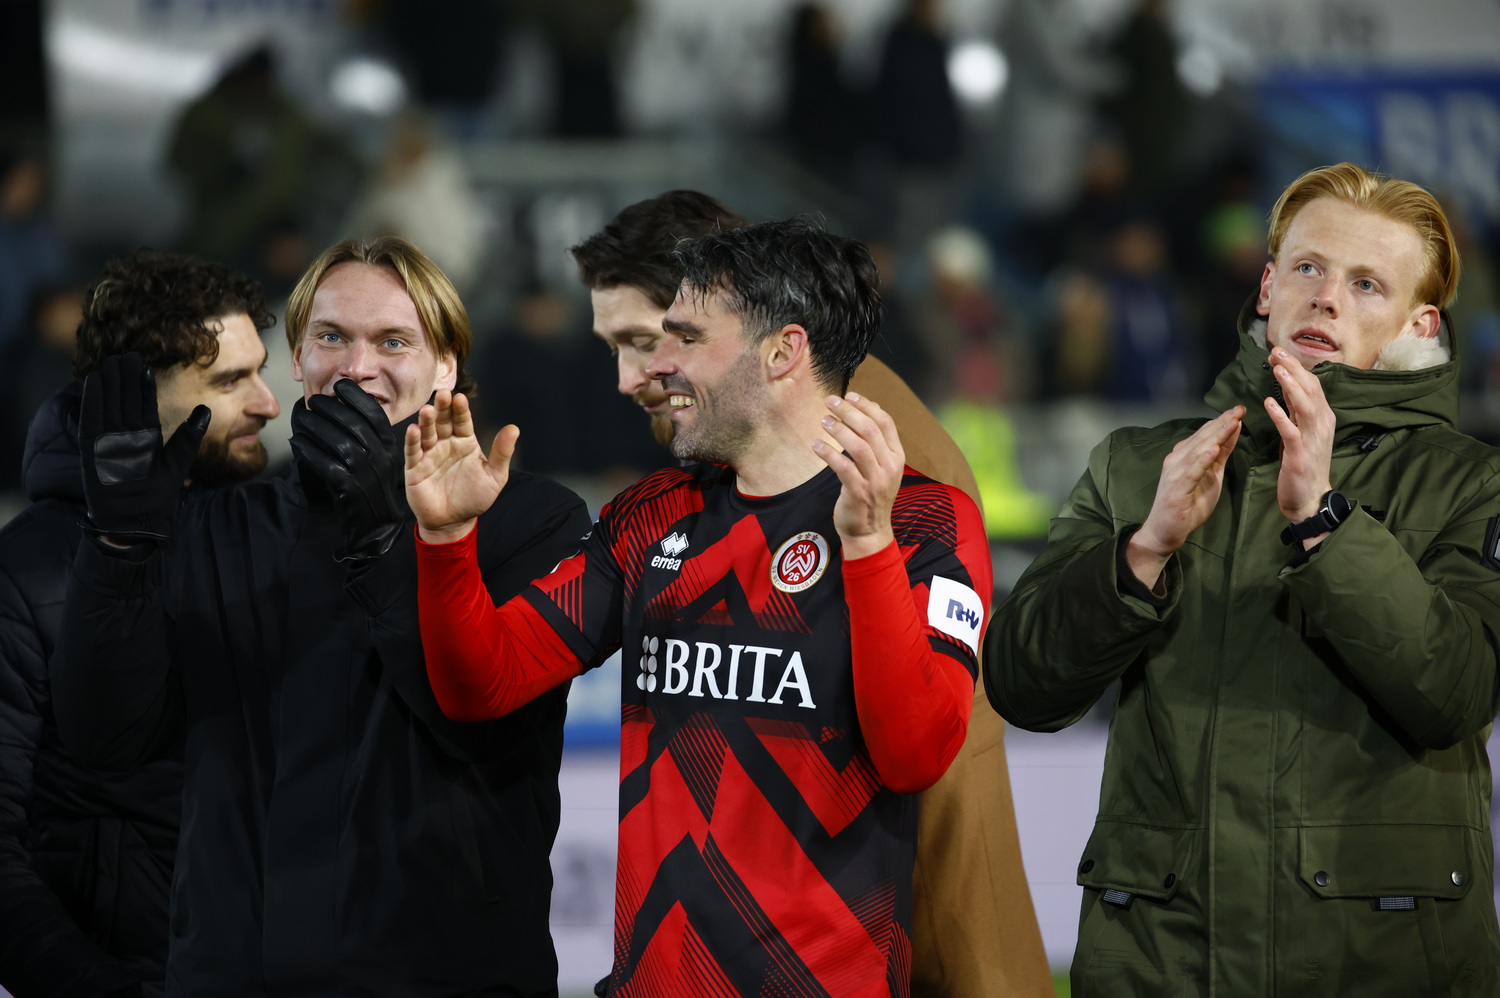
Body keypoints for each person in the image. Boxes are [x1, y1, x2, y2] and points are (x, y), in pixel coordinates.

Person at [409, 218, 992, 996]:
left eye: (686, 338)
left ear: (782, 352)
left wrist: (867, 546)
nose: (659, 365)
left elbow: (914, 755)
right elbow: (483, 682)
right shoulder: (652, 514)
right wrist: (446, 541)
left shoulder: (922, 523)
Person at [988, 161, 1500, 996]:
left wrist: (1325, 523)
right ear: (1267, 287)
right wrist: (1145, 550)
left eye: (1366, 284)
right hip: (1161, 967)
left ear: (1419, 324)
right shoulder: (1138, 466)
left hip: (1377, 967)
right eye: (1309, 268)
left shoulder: (1473, 484)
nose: (1326, 298)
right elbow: (1021, 685)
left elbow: (1456, 690)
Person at [50, 236, 591, 997]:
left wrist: (383, 535)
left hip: (447, 978)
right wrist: (115, 551)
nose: (356, 367)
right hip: (231, 980)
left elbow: (483, 729)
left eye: (393, 341)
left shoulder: (529, 521)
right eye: (331, 337)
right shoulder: (220, 520)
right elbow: (106, 738)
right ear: (298, 358)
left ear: (445, 366)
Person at [571, 189, 1053, 996]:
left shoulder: (867, 448)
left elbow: (926, 742)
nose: (633, 375)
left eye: (648, 340)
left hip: (905, 864)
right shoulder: (746, 437)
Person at [0, 249, 279, 997]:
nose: (267, 403)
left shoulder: (271, 534)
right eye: (230, 381)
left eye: (260, 371)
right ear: (133, 393)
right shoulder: (24, 573)